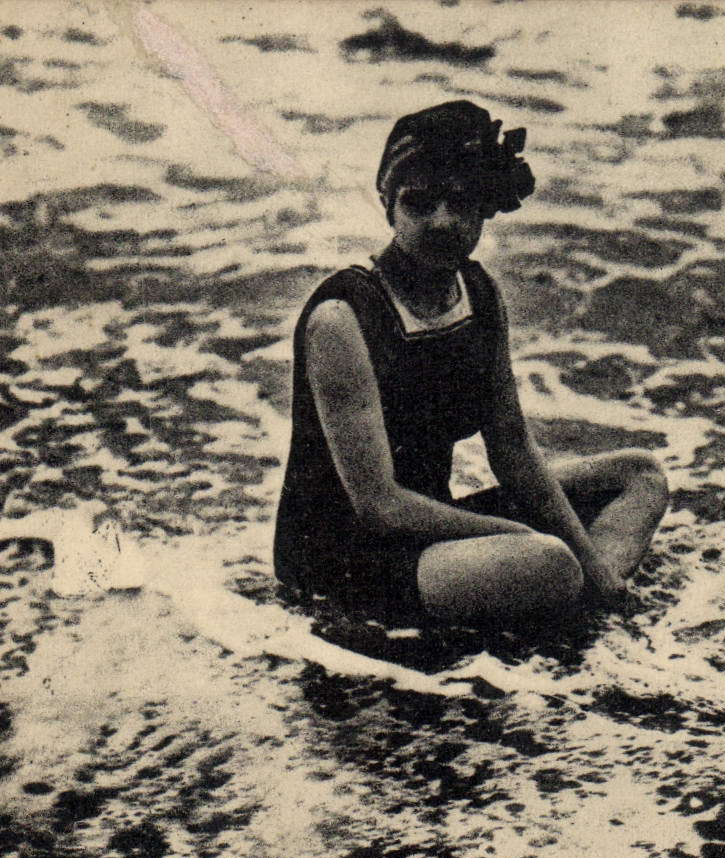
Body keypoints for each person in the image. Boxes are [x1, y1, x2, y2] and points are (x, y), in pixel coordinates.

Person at [274, 101, 667, 625]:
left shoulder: (479, 293)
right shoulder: (345, 316)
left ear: (485, 208)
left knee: (639, 476)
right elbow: (379, 504)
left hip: (435, 532)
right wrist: (516, 536)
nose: (440, 222)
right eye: (418, 203)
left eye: (459, 202)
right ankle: (557, 594)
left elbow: (514, 454)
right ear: (388, 206)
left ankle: (587, 597)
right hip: (346, 557)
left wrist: (595, 566)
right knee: (546, 561)